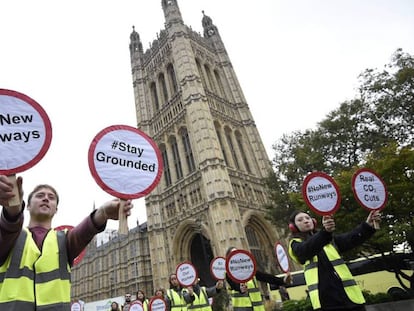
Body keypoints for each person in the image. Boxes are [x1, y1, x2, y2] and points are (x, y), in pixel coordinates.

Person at [0, 175, 133, 310]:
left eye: (51, 198)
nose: (46, 198)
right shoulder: (11, 237)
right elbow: (9, 225)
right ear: (27, 206)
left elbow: (84, 231)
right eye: (40, 195)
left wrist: (103, 213)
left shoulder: (63, 240)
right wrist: (13, 207)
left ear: (56, 209)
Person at [288, 210, 381, 311]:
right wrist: (325, 232)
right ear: (293, 227)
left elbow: (351, 238)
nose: (305, 221)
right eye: (300, 220)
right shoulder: (295, 244)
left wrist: (368, 225)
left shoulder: (330, 240)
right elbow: (306, 250)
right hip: (326, 302)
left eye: (307, 218)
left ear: (313, 221)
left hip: (350, 298)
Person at [225, 247, 292, 311]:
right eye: (233, 254)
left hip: (257, 308)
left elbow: (265, 277)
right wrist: (240, 288)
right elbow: (234, 285)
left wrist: (283, 280)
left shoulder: (249, 270)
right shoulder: (229, 274)